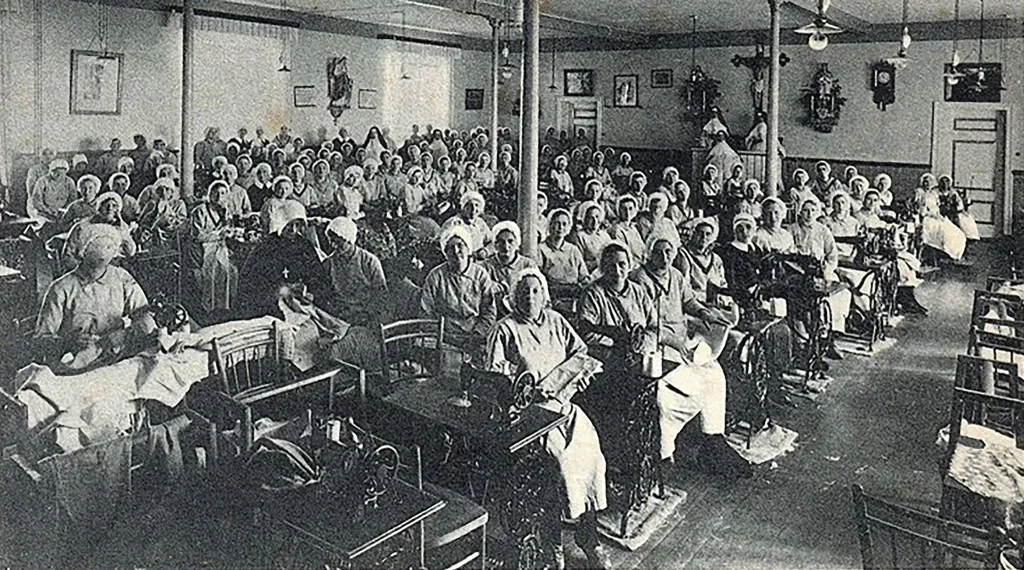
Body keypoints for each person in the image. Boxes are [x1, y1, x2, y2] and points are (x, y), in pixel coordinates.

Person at [578, 242, 750, 477]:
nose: (617, 271)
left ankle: (709, 443)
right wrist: (618, 342)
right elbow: (587, 334)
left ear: (629, 266)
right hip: (612, 363)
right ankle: (661, 452)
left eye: (622, 265)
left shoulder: (637, 291)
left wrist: (644, 344)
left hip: (646, 354)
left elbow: (653, 327)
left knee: (706, 380)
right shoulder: (592, 294)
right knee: (663, 397)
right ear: (602, 267)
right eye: (610, 266)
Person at [485, 268, 610, 569]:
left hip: (563, 406)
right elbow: (494, 375)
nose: (530, 296)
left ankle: (589, 539)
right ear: (514, 296)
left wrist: (569, 379)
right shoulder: (505, 329)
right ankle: (552, 545)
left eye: (536, 290)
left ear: (544, 295)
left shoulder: (556, 321)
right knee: (559, 465)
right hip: (529, 418)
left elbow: (580, 351)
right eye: (524, 291)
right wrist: (525, 388)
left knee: (591, 453)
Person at [35, 223, 155, 372]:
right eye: (98, 245)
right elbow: (40, 340)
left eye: (110, 246)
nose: (105, 251)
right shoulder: (61, 288)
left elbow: (145, 315)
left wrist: (124, 335)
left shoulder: (122, 278)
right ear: (83, 251)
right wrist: (68, 343)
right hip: (75, 363)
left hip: (117, 357)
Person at [420, 225, 496, 353]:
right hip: (444, 337)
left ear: (468, 249)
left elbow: (489, 312)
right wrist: (444, 335)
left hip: (474, 337)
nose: (456, 251)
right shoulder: (436, 276)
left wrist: (477, 334)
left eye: (460, 245)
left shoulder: (480, 275)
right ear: (445, 252)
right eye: (450, 248)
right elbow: (425, 313)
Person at [789, 198, 852, 351]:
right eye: (805, 210)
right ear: (800, 212)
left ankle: (830, 333)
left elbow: (832, 255)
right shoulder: (792, 229)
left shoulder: (823, 230)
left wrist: (827, 270)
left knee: (841, 293)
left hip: (822, 270)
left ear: (818, 213)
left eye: (812, 211)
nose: (809, 214)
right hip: (798, 271)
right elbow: (789, 253)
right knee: (813, 297)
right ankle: (816, 335)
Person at [323, 216, 388, 325]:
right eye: (331, 241)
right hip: (339, 318)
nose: (334, 246)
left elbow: (381, 295)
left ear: (349, 240)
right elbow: (326, 295)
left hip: (366, 317)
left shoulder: (369, 262)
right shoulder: (328, 264)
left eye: (338, 242)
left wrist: (367, 315)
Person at [187, 180, 237, 314]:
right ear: (210, 194)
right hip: (202, 246)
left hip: (219, 245)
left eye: (223, 193)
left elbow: (228, 229)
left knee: (229, 270)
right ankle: (209, 306)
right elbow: (197, 235)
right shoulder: (200, 211)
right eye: (216, 193)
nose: (219, 196)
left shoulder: (225, 210)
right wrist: (218, 234)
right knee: (214, 268)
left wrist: (226, 231)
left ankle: (223, 305)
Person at [64, 192, 138, 266]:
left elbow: (130, 251)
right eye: (106, 205)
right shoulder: (82, 226)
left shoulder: (121, 228)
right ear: (99, 208)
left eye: (114, 206)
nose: (110, 208)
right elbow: (68, 253)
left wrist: (121, 228)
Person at [483, 221, 538, 313]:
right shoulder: (486, 266)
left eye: (510, 241)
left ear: (517, 243)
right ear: (495, 244)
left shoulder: (528, 265)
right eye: (501, 242)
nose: (506, 246)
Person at [677, 218, 727, 303]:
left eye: (708, 234)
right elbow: (684, 286)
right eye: (700, 233)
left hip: (714, 303)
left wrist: (723, 299)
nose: (704, 237)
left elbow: (722, 283)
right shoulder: (684, 254)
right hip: (693, 303)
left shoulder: (716, 259)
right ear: (693, 234)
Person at [439, 191, 491, 258]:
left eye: (477, 205)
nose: (473, 209)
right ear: (463, 207)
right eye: (469, 205)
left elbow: (491, 241)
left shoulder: (480, 223)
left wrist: (486, 251)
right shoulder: (452, 223)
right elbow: (443, 244)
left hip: (479, 260)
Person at [569, 201, 613, 274]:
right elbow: (580, 264)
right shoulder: (579, 236)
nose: (594, 221)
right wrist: (599, 261)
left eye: (597, 217)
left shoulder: (605, 235)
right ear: (584, 219)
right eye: (590, 218)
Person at [608, 195, 645, 268]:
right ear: (618, 210)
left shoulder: (633, 228)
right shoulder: (617, 230)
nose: (627, 212)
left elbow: (642, 249)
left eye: (630, 209)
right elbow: (623, 254)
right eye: (624, 209)